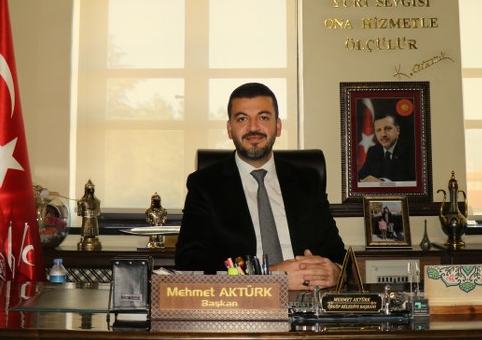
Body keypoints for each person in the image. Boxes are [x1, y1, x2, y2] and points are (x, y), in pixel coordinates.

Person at [176, 82, 346, 290]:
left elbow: (337, 253)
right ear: (229, 129)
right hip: (242, 300)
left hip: (307, 298)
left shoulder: (307, 181)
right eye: (242, 119)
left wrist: (336, 271)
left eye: (263, 118)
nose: (253, 128)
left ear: (278, 126)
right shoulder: (205, 185)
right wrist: (269, 276)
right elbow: (190, 263)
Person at [358, 112, 416, 182]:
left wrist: (382, 182)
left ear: (398, 130)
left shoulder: (411, 150)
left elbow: (413, 179)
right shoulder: (373, 151)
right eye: (378, 130)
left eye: (388, 128)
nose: (383, 134)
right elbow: (360, 177)